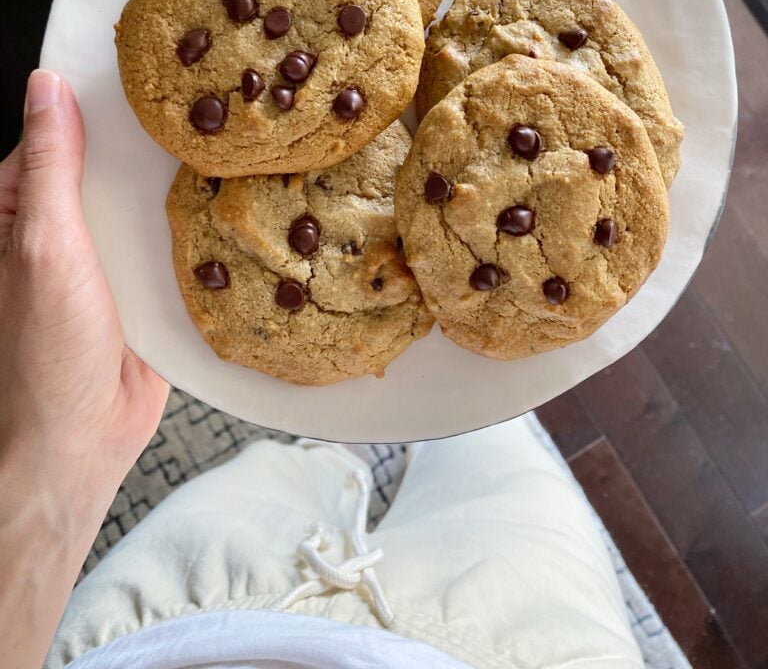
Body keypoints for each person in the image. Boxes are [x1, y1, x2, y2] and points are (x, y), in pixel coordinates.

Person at [1, 70, 644, 669]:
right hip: (482, 647)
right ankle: (455, 447)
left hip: (178, 619)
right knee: (510, 485)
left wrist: (58, 463)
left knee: (274, 477)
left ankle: (327, 465)